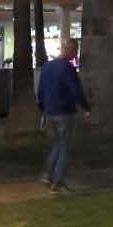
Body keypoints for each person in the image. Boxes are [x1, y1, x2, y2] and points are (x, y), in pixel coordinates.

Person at [37, 38, 89, 193]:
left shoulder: (47, 67)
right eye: (75, 51)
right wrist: (86, 107)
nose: (76, 54)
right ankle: (58, 181)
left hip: (50, 112)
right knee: (65, 147)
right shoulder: (68, 68)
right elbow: (75, 90)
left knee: (58, 144)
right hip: (64, 112)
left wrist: (43, 109)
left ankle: (47, 175)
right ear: (70, 50)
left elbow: (40, 90)